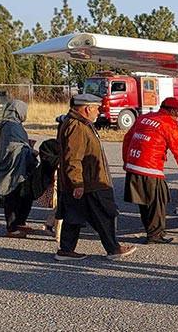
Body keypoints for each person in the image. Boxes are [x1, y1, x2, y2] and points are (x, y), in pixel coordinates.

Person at [56, 94, 136, 261]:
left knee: (74, 215)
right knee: (104, 215)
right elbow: (73, 158)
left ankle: (66, 250)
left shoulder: (78, 123)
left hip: (84, 181)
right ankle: (113, 249)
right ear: (87, 109)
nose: (98, 111)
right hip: (89, 182)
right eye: (96, 108)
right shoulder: (77, 126)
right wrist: (77, 183)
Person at [123, 97, 178, 244]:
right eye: (177, 112)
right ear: (172, 110)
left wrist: (126, 160)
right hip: (150, 168)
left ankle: (152, 231)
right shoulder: (169, 123)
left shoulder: (143, 118)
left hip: (134, 165)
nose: (177, 116)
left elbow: (127, 138)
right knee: (158, 202)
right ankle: (155, 235)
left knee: (143, 203)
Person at [0, 100, 38, 238]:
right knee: (12, 195)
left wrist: (27, 146)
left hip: (19, 166)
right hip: (12, 168)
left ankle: (20, 222)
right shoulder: (10, 125)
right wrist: (28, 149)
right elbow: (12, 146)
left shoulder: (14, 124)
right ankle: (12, 227)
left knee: (24, 195)